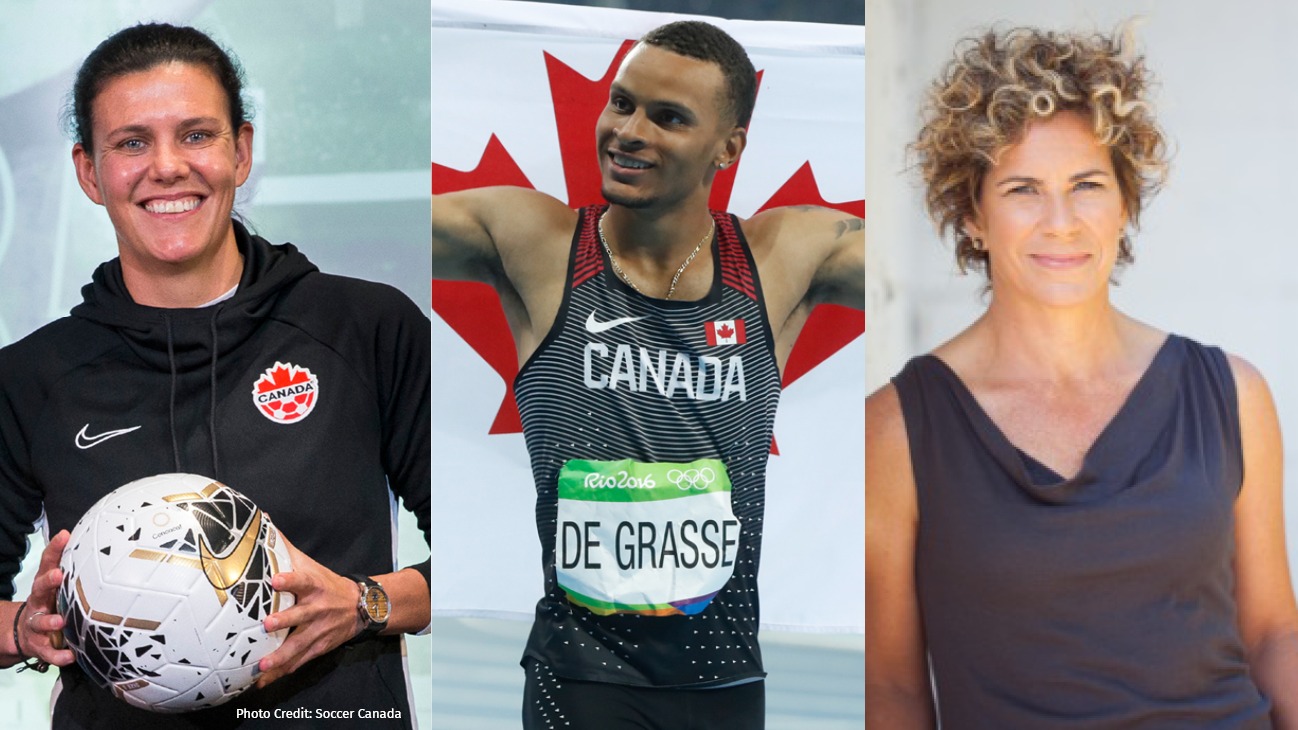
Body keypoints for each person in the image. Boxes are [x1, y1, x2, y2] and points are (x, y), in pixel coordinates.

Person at [433, 19, 864, 730]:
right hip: (579, 681)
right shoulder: (538, 245)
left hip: (723, 682)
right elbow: (377, 230)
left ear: (729, 147)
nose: (629, 131)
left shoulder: (783, 259)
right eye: (622, 103)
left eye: (668, 118)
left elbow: (943, 254)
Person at [864, 25, 1298, 729]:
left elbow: (1275, 632)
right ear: (973, 214)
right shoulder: (895, 431)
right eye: (1023, 189)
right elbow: (893, 691)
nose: (1061, 222)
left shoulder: (1232, 395)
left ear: (1124, 202)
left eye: (1087, 185)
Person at [0, 23, 431, 728]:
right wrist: (24, 627)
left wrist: (365, 605)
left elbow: (490, 556)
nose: (167, 167)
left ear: (242, 151)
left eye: (196, 134)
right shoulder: (31, 376)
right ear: (88, 170)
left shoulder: (366, 327)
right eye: (131, 142)